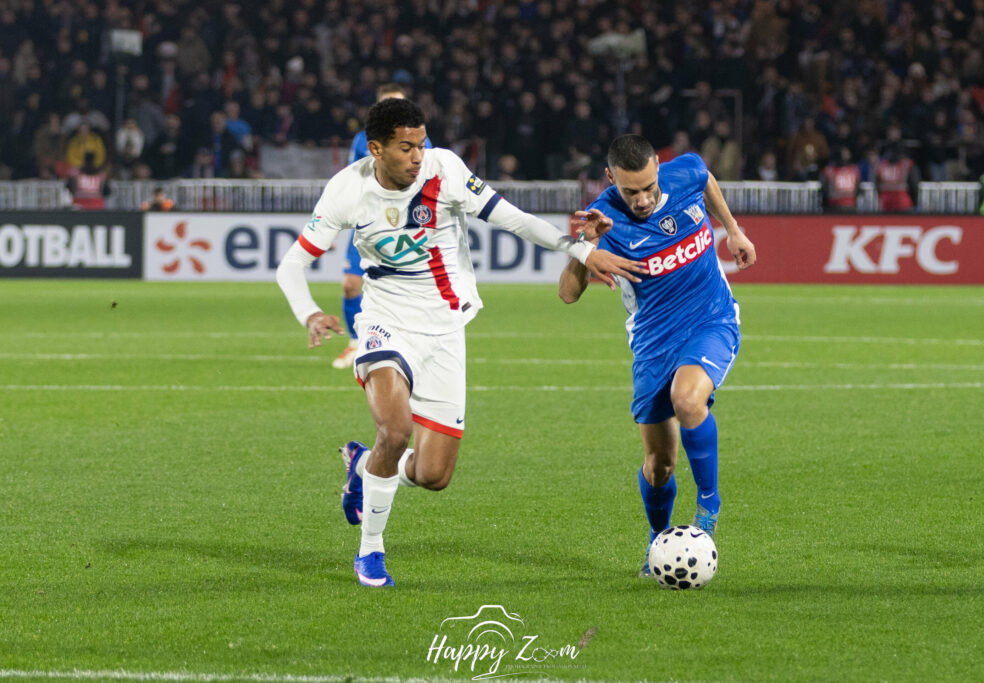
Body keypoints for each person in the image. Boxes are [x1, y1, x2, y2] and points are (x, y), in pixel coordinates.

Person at [275, 98, 644, 587]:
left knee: (433, 475)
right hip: (386, 320)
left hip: (446, 329)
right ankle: (370, 551)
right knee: (396, 429)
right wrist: (311, 312)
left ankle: (362, 465)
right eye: (405, 148)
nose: (417, 156)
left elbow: (512, 218)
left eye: (421, 144)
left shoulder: (444, 169)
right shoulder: (348, 189)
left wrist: (578, 246)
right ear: (376, 148)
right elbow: (292, 264)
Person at [557, 134, 756, 579]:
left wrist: (734, 230)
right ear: (610, 179)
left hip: (711, 318)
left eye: (649, 186)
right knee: (660, 464)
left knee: (689, 400)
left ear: (658, 169)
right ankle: (658, 538)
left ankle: (708, 506)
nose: (644, 199)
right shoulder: (603, 217)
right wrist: (584, 248)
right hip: (652, 343)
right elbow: (568, 294)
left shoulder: (683, 171)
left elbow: (705, 178)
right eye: (631, 191)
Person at [333, 83, 434, 370]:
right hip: (368, 223)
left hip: (407, 226)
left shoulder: (420, 139)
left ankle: (414, 345)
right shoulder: (361, 140)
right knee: (351, 285)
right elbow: (351, 180)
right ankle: (355, 342)